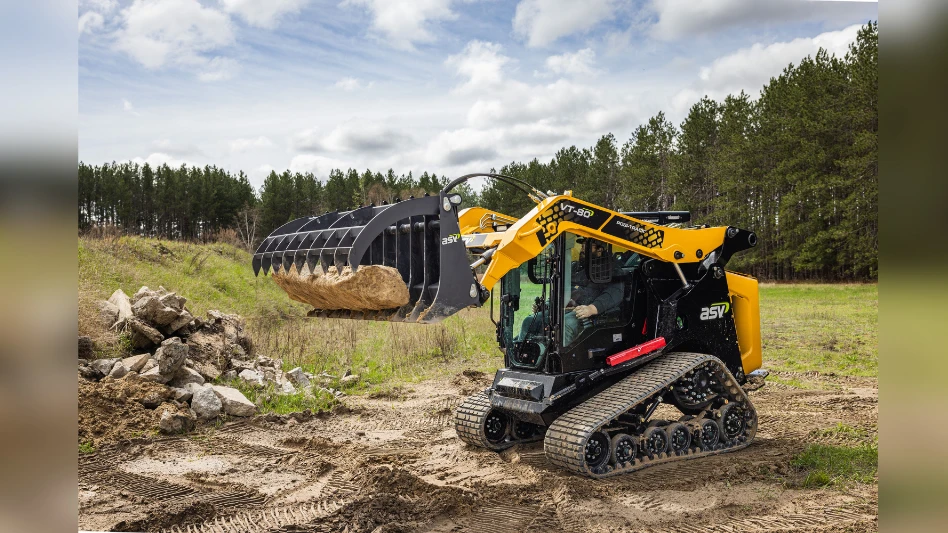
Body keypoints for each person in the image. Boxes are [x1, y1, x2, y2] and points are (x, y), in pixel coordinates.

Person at [518, 240, 622, 347]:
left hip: (589, 314)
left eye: (587, 247)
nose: (582, 249)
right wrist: (547, 305)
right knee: (529, 321)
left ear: (600, 249)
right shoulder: (574, 267)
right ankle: (523, 352)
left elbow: (614, 294)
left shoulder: (611, 270)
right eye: (582, 246)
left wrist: (591, 309)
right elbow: (561, 289)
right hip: (565, 309)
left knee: (565, 326)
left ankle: (556, 359)